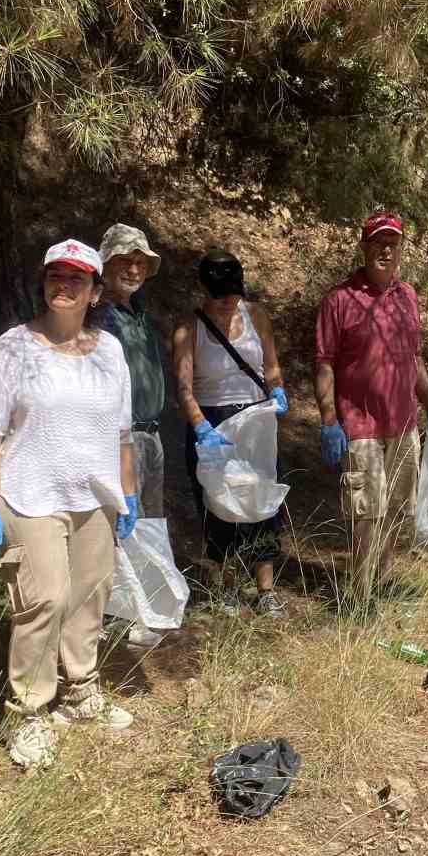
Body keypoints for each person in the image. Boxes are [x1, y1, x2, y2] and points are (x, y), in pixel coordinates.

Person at [0, 239, 138, 768]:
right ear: (43, 284)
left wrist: (128, 493)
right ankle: (29, 713)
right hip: (30, 494)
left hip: (95, 497)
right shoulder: (15, 347)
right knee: (45, 601)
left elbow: (122, 431)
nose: (64, 286)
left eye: (76, 279)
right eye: (55, 277)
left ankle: (82, 688)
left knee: (89, 597)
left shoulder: (110, 350)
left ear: (94, 291)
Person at [314, 210, 428, 600]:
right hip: (359, 426)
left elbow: (415, 358)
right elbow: (324, 363)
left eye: (393, 243)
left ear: (401, 249)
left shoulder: (408, 296)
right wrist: (328, 419)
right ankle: (358, 594)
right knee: (366, 512)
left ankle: (385, 580)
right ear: (364, 247)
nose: (385, 251)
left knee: (395, 510)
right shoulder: (340, 300)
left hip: (404, 424)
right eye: (378, 243)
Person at [172, 249, 290, 618]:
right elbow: (184, 387)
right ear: (203, 291)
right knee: (218, 505)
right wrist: (200, 427)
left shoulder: (256, 316)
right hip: (212, 421)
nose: (227, 304)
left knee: (262, 499)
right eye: (219, 297)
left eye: (232, 296)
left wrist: (277, 390)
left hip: (255, 420)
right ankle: (225, 584)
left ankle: (265, 588)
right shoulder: (188, 328)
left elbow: (270, 367)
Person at [96, 223, 168, 646]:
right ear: (105, 265)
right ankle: (113, 614)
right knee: (118, 524)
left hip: (151, 435)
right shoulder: (98, 315)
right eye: (125, 260)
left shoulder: (138, 312)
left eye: (140, 261)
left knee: (148, 524)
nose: (134, 268)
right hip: (119, 438)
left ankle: (144, 606)